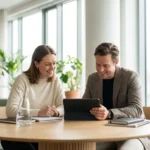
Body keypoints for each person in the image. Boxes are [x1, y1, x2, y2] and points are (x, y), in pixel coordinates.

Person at [82, 42, 150, 150]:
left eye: (105, 66)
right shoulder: (92, 79)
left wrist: (109, 113)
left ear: (116, 62)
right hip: (103, 134)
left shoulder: (130, 77)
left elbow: (137, 109)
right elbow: (84, 106)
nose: (101, 70)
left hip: (132, 134)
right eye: (98, 64)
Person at [1, 45, 65, 150]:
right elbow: (10, 110)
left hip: (47, 134)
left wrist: (56, 111)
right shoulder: (22, 80)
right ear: (36, 64)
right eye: (47, 64)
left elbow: (64, 106)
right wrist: (39, 112)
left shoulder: (56, 81)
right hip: (21, 136)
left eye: (54, 63)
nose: (52, 68)